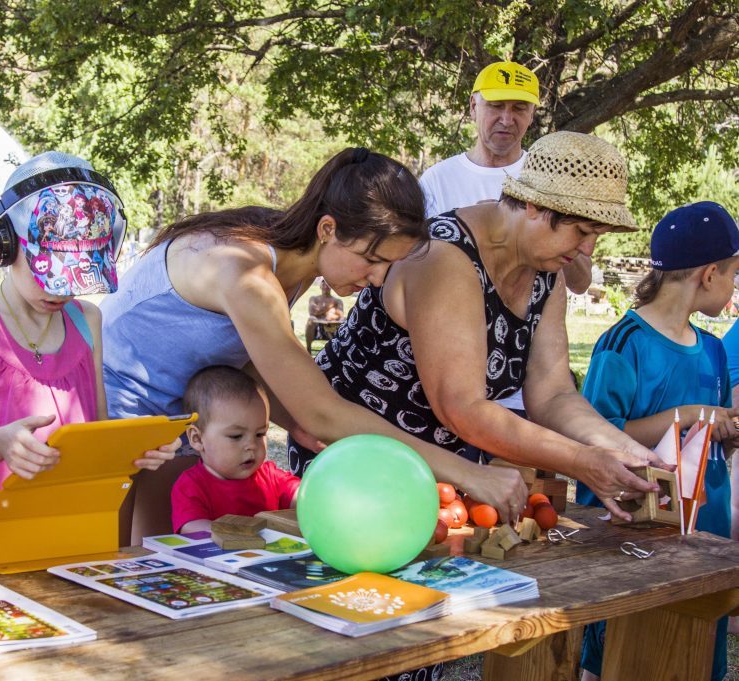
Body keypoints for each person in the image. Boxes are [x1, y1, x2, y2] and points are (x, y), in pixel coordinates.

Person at [102, 147, 528, 546]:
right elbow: (322, 411)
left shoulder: (290, 259)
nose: (377, 279)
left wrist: (297, 424)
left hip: (178, 412)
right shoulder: (246, 273)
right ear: (328, 229)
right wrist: (470, 474)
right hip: (114, 409)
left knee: (168, 561)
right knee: (127, 560)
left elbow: (251, 359)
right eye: (372, 259)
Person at [289, 132, 668, 523]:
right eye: (582, 231)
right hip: (352, 454)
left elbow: (553, 393)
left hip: (436, 467)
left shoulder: (547, 271)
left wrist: (627, 452)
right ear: (535, 207)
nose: (587, 250)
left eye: (596, 236)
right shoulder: (444, 257)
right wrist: (582, 461)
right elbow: (461, 408)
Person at [0, 151, 175, 569]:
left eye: (75, 277)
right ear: (5, 245)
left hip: (66, 545)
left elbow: (93, 441)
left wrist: (132, 451)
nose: (61, 292)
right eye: (49, 273)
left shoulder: (87, 321)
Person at [576, 202, 739, 681]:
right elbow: (599, 433)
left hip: (701, 541)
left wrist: (725, 428)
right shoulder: (624, 342)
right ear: (708, 274)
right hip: (633, 541)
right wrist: (686, 416)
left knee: (692, 656)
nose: (734, 287)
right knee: (620, 658)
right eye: (733, 274)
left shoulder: (711, 349)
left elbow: (714, 439)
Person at [420, 61, 591, 429]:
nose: (506, 119)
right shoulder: (436, 180)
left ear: (532, 115)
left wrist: (559, 239)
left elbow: (581, 282)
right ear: (472, 108)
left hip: (520, 383)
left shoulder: (550, 179)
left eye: (519, 108)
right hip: (442, 379)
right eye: (496, 106)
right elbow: (409, 268)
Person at [172, 366, 299, 533]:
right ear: (197, 438)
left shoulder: (270, 476)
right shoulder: (191, 486)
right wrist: (237, 534)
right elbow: (193, 528)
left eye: (260, 434)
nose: (251, 445)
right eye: (236, 436)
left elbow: (302, 495)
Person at [305, 278, 345, 353]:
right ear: (320, 286)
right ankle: (308, 350)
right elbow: (312, 312)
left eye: (328, 283)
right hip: (317, 328)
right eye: (323, 283)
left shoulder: (337, 301)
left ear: (331, 286)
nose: (326, 285)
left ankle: (337, 350)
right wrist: (330, 307)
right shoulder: (314, 299)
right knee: (311, 319)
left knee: (344, 320)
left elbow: (341, 315)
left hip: (332, 327)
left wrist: (328, 315)